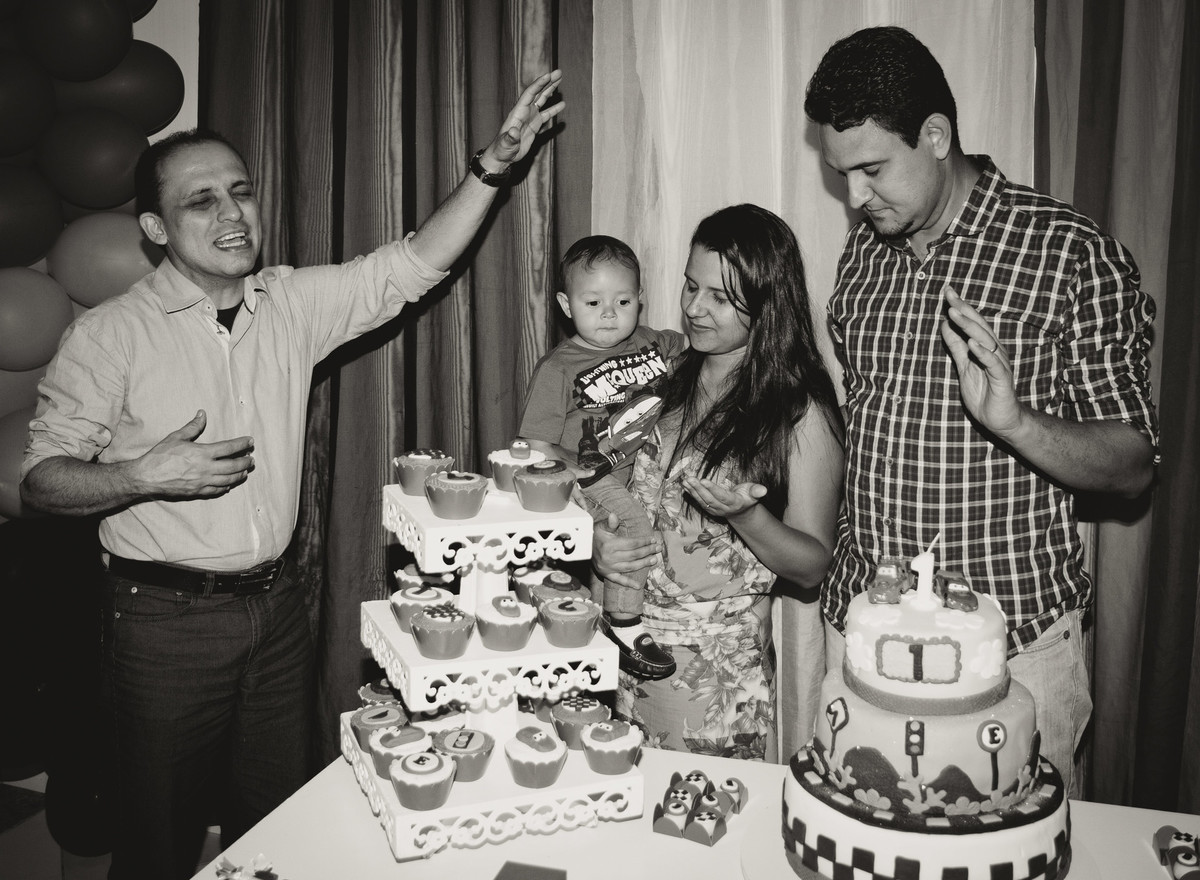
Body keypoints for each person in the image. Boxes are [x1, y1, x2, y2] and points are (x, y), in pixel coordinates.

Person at [20, 72, 564, 880]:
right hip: (163, 621)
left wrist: (492, 168)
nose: (232, 212)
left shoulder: (289, 303)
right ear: (154, 229)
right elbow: (41, 482)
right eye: (200, 200)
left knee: (278, 824)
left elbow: (411, 265)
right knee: (157, 837)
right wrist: (142, 474)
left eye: (239, 191)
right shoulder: (111, 337)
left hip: (277, 612)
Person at [803, 26, 1158, 797]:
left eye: (871, 170)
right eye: (842, 175)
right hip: (864, 628)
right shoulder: (866, 252)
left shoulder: (1070, 253)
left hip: (1014, 654)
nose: (856, 199)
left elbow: (1132, 465)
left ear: (935, 136)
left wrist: (1015, 422)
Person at [591, 204, 844, 761]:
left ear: (767, 305)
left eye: (721, 299)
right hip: (620, 649)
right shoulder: (666, 374)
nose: (694, 309)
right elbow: (617, 490)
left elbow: (812, 564)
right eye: (689, 286)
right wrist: (601, 547)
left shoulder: (800, 411)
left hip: (712, 681)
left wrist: (746, 516)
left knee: (700, 830)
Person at [519, 235, 685, 680]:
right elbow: (534, 447)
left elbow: (690, 353)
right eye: (593, 302)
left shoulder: (653, 343)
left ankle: (604, 617)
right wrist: (579, 482)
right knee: (632, 527)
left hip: (635, 470)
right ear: (566, 304)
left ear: (641, 300)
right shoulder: (558, 368)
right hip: (584, 473)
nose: (609, 313)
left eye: (623, 300)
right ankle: (625, 626)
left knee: (636, 536)